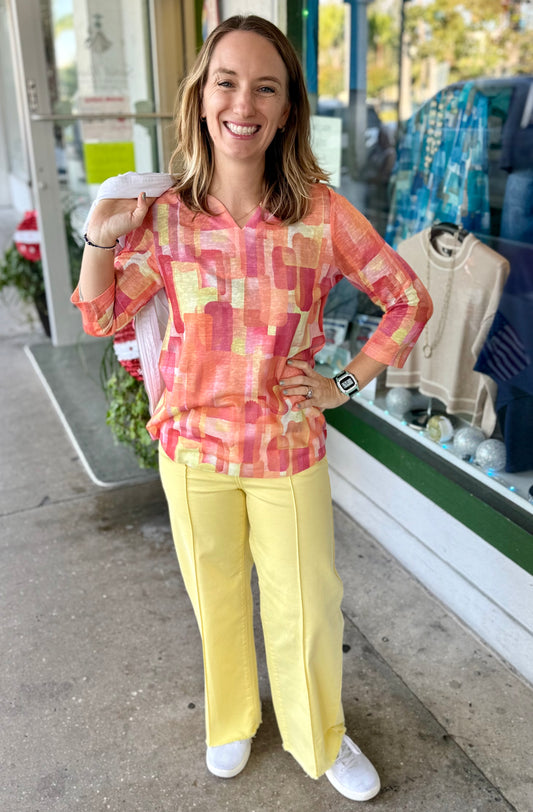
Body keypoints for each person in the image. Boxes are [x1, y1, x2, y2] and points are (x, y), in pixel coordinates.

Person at [72, 14, 432, 802]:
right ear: (201, 98)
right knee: (217, 599)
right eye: (227, 82)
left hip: (284, 446)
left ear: (287, 108)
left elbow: (407, 299)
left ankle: (318, 735)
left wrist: (344, 383)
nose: (244, 103)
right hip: (191, 448)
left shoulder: (320, 214)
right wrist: (100, 238)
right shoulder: (163, 215)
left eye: (265, 87)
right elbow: (101, 316)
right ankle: (231, 719)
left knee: (307, 604)